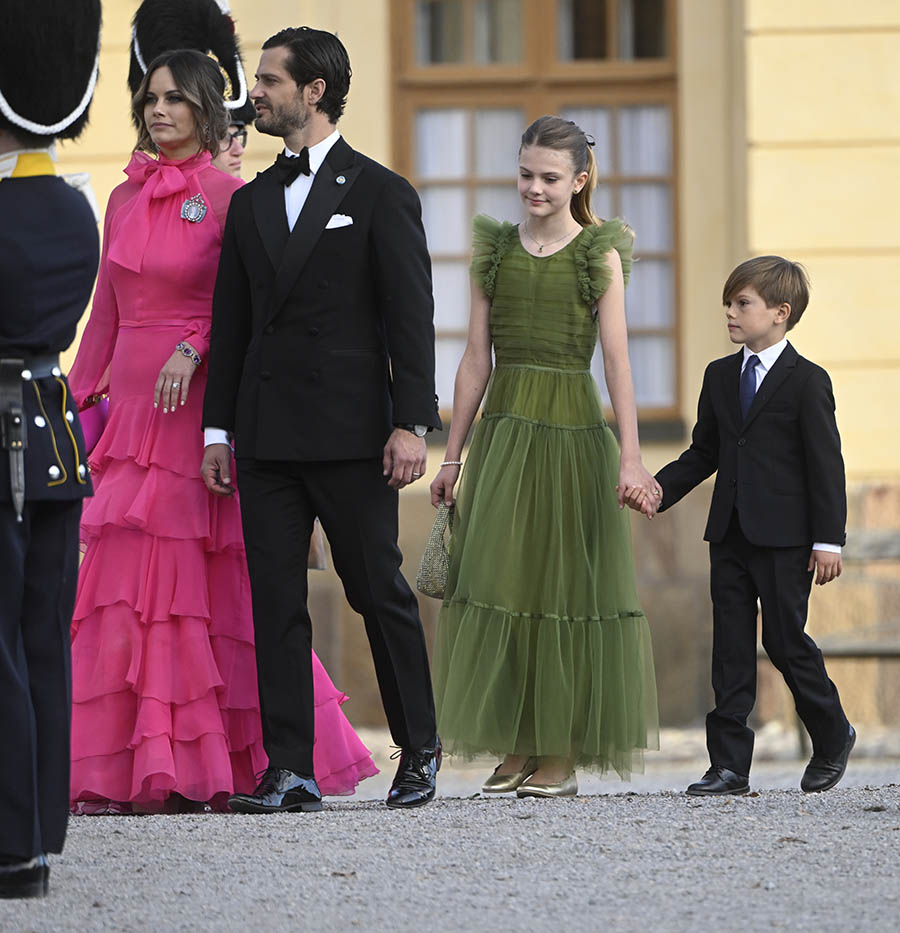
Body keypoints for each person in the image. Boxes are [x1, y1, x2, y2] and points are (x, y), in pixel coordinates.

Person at [67, 47, 377, 815]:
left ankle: (217, 763)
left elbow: (243, 310)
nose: (157, 110)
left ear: (206, 107)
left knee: (193, 593)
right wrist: (70, 403)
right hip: (131, 413)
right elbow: (105, 307)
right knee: (122, 591)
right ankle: (128, 768)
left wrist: (193, 346)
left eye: (174, 98)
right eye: (149, 98)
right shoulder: (121, 197)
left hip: (194, 411)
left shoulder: (231, 195)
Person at [202, 26, 443, 813]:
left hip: (352, 435)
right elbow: (232, 326)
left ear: (314, 91)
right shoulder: (251, 202)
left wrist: (413, 422)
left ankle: (421, 746)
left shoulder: (380, 192)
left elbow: (411, 319)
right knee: (274, 600)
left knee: (377, 589)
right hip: (266, 435)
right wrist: (216, 431)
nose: (256, 93)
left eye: (270, 80)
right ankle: (291, 768)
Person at [430, 115, 659, 798]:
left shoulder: (599, 255)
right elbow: (475, 359)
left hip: (571, 435)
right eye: (526, 173)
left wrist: (632, 458)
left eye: (550, 177)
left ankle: (560, 753)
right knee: (504, 580)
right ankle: (520, 743)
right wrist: (452, 456)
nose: (534, 187)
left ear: (579, 180)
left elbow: (617, 361)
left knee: (564, 587)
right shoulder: (494, 252)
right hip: (503, 434)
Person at [631, 257, 854, 796]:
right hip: (727, 534)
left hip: (787, 541)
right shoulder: (719, 375)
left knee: (784, 641)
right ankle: (729, 766)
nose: (730, 312)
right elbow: (704, 450)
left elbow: (827, 466)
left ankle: (832, 732)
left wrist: (829, 539)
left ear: (780, 313)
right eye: (729, 303)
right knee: (730, 648)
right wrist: (657, 489)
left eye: (742, 304)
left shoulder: (808, 382)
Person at [0, 0, 101, 898]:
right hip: (53, 434)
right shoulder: (74, 211)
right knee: (41, 639)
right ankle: (33, 834)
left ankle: (7, 842)